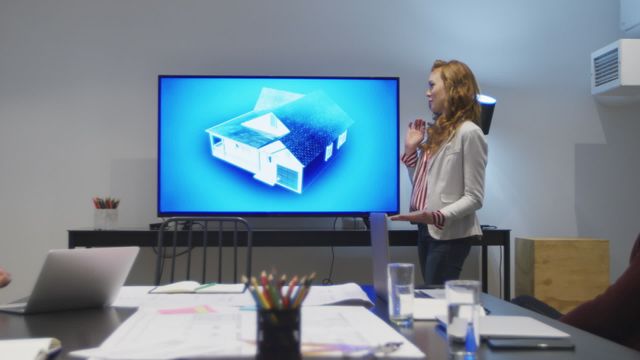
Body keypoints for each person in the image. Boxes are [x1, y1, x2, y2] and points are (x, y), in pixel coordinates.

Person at [390, 59, 488, 286]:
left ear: (453, 88)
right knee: (432, 297)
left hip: (449, 234)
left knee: (436, 299)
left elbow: (474, 198)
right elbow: (422, 185)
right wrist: (410, 151)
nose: (427, 93)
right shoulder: (436, 133)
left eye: (432, 85)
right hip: (427, 230)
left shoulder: (470, 133)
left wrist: (436, 216)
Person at [512, 232, 640, 351]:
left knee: (521, 304)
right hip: (602, 331)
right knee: (523, 301)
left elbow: (612, 310)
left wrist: (558, 330)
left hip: (604, 342)